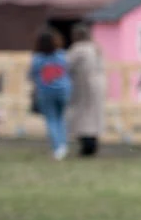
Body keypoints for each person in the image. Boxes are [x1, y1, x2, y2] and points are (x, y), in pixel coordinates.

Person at [30, 29, 72, 160]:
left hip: (46, 92)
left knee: (51, 119)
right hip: (63, 91)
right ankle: (63, 144)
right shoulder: (61, 55)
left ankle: (58, 146)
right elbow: (68, 70)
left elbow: (32, 75)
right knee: (60, 118)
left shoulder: (37, 59)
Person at [67, 22, 107, 156]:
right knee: (95, 114)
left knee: (83, 115)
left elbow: (67, 65)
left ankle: (87, 144)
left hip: (84, 85)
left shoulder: (78, 49)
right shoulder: (95, 48)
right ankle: (93, 142)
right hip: (99, 84)